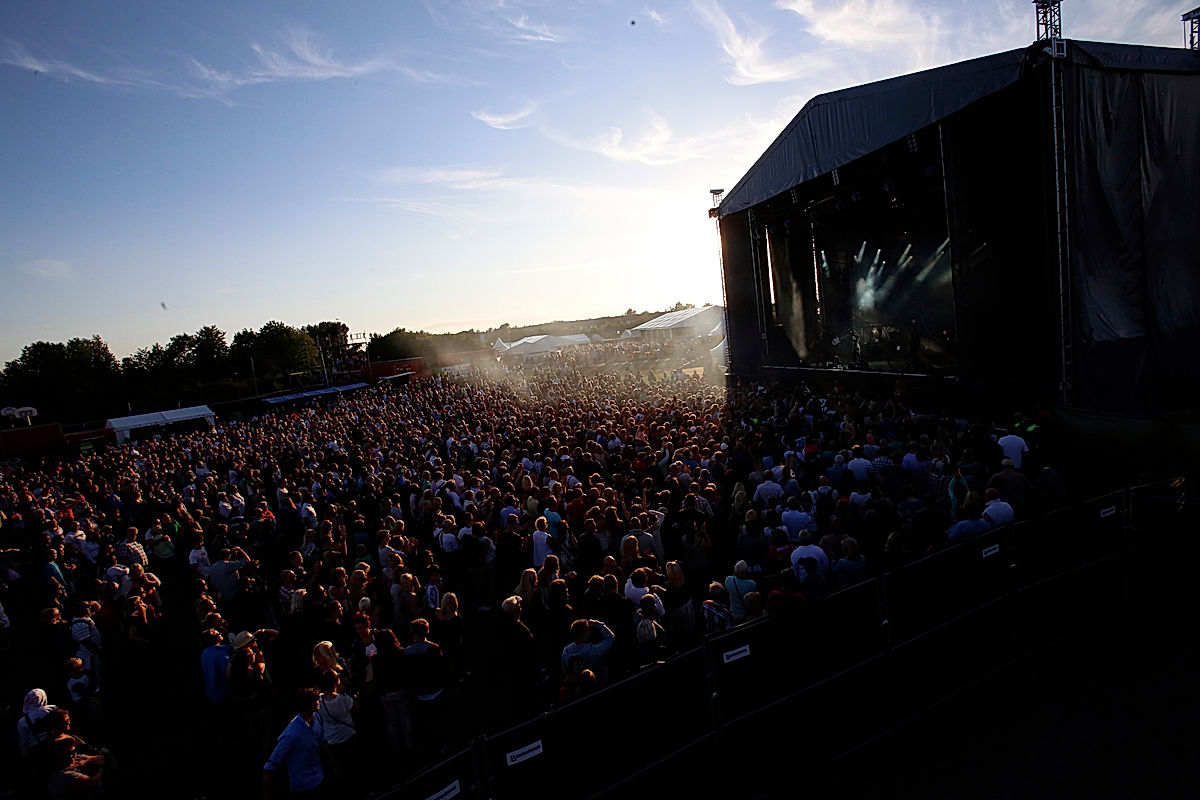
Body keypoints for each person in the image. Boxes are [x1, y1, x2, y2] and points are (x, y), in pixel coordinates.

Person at [263, 688, 333, 798]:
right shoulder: (291, 733)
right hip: (303, 788)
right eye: (316, 700)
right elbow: (271, 764)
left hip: (319, 779)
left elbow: (322, 741)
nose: (319, 701)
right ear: (309, 705)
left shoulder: (316, 719)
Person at [560, 618, 616, 684]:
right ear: (587, 632)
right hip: (599, 685)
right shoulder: (593, 651)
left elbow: (565, 672)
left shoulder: (566, 651)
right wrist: (597, 624)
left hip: (579, 688)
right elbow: (610, 637)